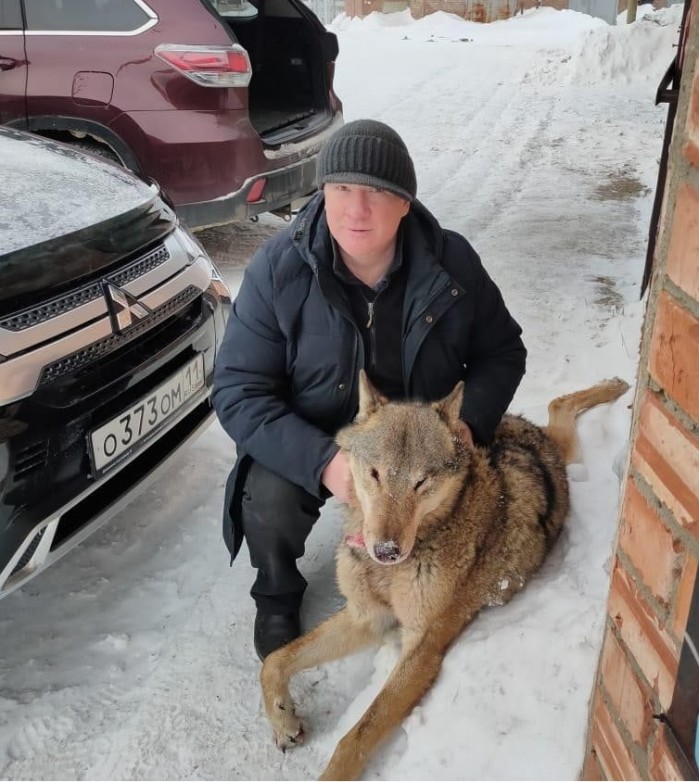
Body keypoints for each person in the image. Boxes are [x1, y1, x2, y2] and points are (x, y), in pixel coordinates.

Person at [212, 119, 527, 661]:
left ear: (405, 203)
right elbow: (238, 389)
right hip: (316, 433)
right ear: (323, 193)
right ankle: (277, 594)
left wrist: (466, 425)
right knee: (268, 501)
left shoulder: (452, 264)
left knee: (454, 503)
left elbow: (503, 352)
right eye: (342, 189)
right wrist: (325, 463)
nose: (357, 209)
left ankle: (420, 578)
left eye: (378, 192)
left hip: (420, 445)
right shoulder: (277, 270)